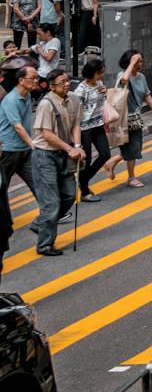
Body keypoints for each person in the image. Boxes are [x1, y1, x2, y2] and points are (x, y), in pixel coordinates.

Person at [28, 67, 80, 256]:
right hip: (45, 156)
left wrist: (78, 145)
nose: (67, 85)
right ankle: (45, 245)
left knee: (69, 194)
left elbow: (76, 124)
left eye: (67, 81)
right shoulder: (46, 104)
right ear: (51, 87)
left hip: (63, 154)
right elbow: (47, 134)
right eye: (62, 82)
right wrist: (69, 148)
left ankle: (39, 224)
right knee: (51, 203)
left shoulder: (73, 99)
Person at [73, 57, 109, 202]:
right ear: (92, 73)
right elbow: (75, 113)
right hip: (84, 128)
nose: (102, 75)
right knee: (86, 161)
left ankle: (83, 181)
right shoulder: (81, 91)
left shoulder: (99, 83)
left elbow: (102, 102)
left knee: (105, 154)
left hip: (98, 124)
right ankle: (85, 190)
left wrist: (105, 92)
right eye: (99, 73)